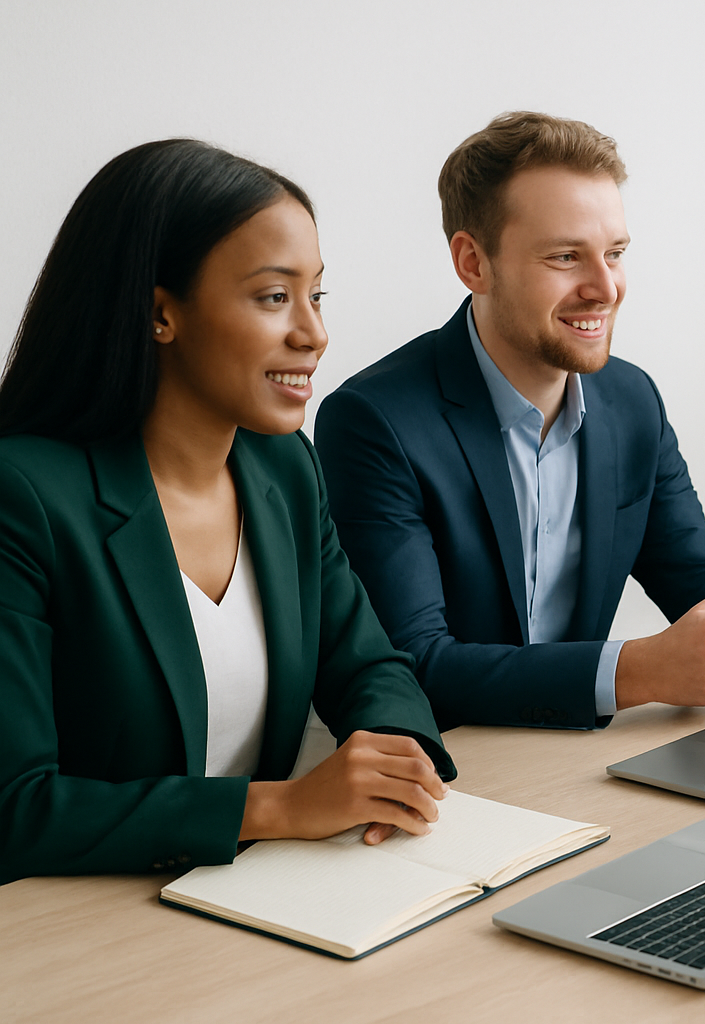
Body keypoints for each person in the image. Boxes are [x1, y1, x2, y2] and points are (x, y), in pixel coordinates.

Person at [0, 140, 454, 886]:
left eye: (317, 295)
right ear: (159, 313)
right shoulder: (23, 496)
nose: (313, 333)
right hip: (75, 932)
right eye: (275, 296)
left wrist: (393, 754)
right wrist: (275, 808)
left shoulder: (284, 469)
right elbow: (15, 809)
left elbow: (370, 665)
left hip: (254, 903)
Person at [315, 112, 705, 732]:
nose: (605, 288)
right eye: (566, 256)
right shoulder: (374, 421)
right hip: (454, 773)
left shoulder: (632, 401)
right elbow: (412, 669)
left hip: (580, 756)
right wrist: (636, 672)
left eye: (616, 254)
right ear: (473, 263)